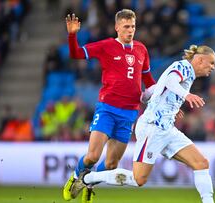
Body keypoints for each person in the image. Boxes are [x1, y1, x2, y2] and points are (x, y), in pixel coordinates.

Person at [74, 45, 215, 203]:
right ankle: (88, 178)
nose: (213, 67)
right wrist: (186, 95)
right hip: (152, 128)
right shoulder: (183, 66)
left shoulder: (188, 74)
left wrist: (159, 102)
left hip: (167, 129)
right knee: (138, 179)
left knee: (201, 163)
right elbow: (170, 81)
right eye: (211, 63)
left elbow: (156, 88)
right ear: (200, 59)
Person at [62, 9, 156, 203]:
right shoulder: (106, 46)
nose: (130, 31)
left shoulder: (141, 49)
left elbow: (147, 79)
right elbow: (76, 53)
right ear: (117, 27)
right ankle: (74, 179)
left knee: (112, 163)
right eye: (126, 27)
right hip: (107, 108)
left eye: (133, 27)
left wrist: (161, 98)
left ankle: (88, 183)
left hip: (129, 113)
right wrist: (72, 35)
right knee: (92, 157)